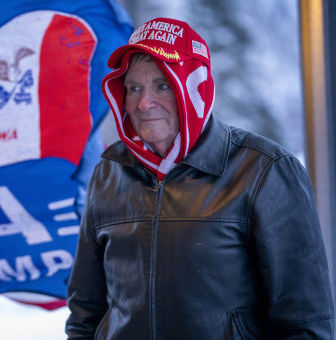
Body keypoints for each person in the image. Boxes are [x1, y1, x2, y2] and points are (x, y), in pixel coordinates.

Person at [65, 17, 334, 339]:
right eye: (134, 87)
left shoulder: (264, 169)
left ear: (193, 88)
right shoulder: (108, 171)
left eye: (162, 85)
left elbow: (304, 321)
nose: (143, 102)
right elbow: (86, 311)